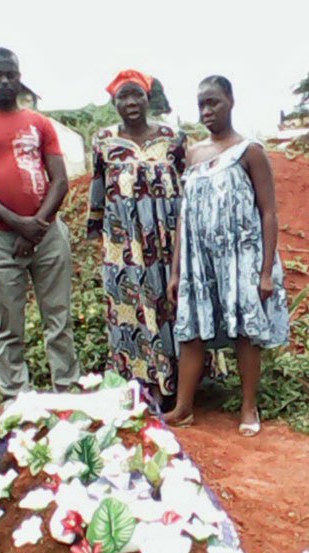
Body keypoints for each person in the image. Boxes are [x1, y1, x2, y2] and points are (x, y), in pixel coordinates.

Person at [0, 47, 80, 404]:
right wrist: (18, 225)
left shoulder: (39, 124)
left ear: (20, 76)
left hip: (48, 235)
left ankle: (67, 394)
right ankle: (17, 402)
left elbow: (60, 180)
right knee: (9, 325)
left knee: (59, 319)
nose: (5, 81)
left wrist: (37, 225)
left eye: (11, 74)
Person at [165, 75, 289, 435]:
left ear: (230, 101)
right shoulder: (194, 154)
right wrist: (176, 271)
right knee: (192, 329)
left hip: (241, 257)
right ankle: (183, 407)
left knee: (245, 331)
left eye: (214, 102)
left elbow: (269, 212)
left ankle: (248, 408)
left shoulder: (250, 151)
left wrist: (265, 272)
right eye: (202, 104)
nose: (207, 111)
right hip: (198, 260)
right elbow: (184, 217)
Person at [88, 69, 186, 404]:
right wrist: (98, 235)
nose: (131, 102)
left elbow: (187, 186)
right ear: (114, 103)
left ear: (148, 98)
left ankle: (183, 384)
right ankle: (146, 384)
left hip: (168, 240)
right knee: (135, 309)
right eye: (123, 97)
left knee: (172, 304)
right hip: (124, 243)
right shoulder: (103, 140)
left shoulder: (172, 137)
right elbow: (98, 189)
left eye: (137, 95)